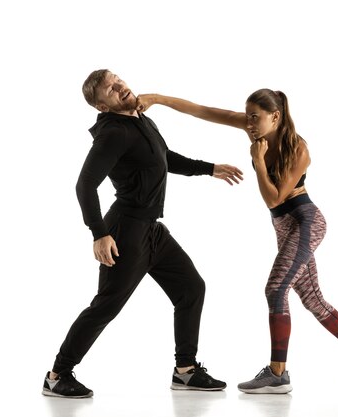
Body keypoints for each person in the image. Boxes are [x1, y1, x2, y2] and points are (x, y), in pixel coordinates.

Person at [136, 89, 338, 394]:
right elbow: (201, 110)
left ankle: (278, 373)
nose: (249, 124)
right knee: (312, 299)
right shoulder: (254, 130)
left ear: (275, 116)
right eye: (247, 116)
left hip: (306, 221)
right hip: (284, 226)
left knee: (276, 289)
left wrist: (259, 162)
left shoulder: (299, 149)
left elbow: (274, 198)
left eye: (256, 117)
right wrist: (157, 99)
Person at [42, 70, 244, 398]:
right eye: (110, 88)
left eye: (117, 79)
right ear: (101, 105)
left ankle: (186, 370)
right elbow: (84, 185)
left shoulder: (140, 119)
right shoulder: (114, 133)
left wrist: (209, 168)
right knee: (106, 306)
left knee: (191, 287)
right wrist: (99, 234)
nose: (119, 86)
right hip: (125, 232)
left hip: (151, 230)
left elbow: (162, 159)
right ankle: (57, 374)